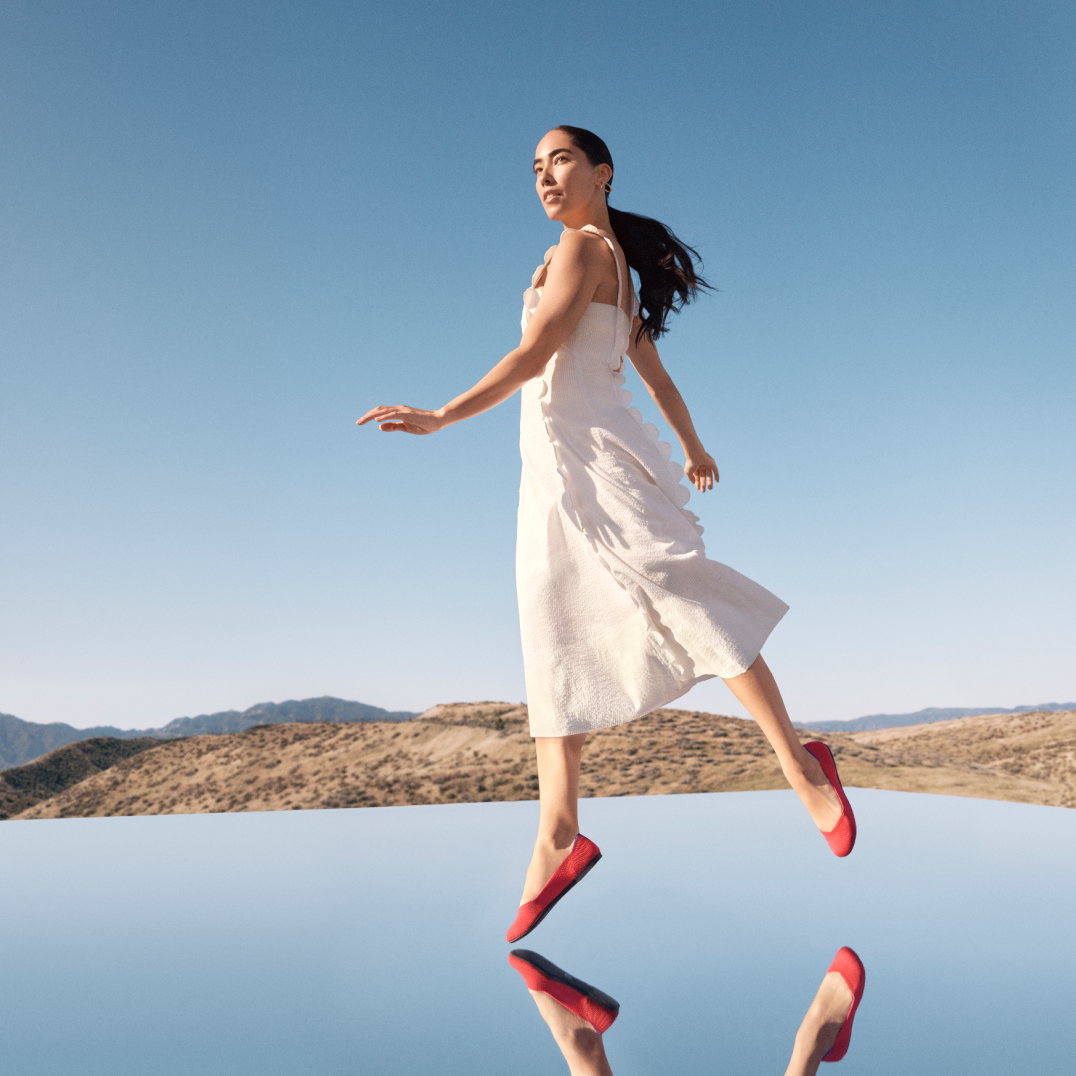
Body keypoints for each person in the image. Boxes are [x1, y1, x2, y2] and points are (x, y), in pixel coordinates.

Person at [358, 126, 856, 943]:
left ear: (603, 173)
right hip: (554, 470)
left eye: (560, 160)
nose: (545, 176)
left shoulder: (584, 254)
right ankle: (558, 830)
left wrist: (444, 414)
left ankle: (799, 763)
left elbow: (538, 350)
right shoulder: (605, 268)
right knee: (551, 626)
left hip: (592, 462)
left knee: (677, 590)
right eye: (534, 167)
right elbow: (654, 376)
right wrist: (693, 446)